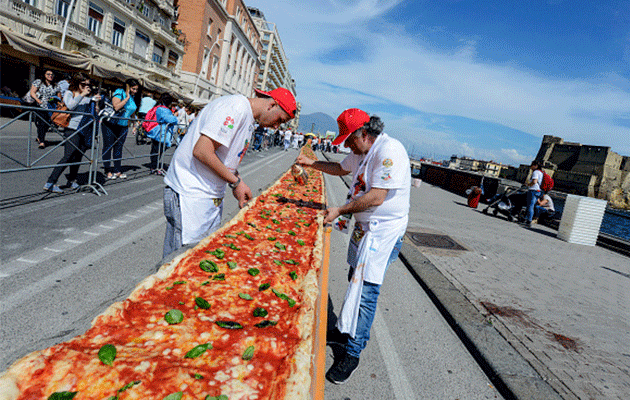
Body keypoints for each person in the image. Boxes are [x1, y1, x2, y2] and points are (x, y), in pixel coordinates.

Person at [296, 108, 411, 384]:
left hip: (383, 232)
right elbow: (340, 169)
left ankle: (353, 352)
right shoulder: (360, 152)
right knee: (353, 278)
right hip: (363, 228)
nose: (346, 144)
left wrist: (340, 209)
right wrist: (310, 163)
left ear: (364, 133)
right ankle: (346, 329)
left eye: (349, 139)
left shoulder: (389, 151)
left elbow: (376, 197)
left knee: (367, 290)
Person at [162, 87, 296, 258]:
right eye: (280, 119)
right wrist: (236, 183)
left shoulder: (247, 116)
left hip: (207, 195)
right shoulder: (236, 107)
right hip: (190, 194)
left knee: (199, 257)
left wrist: (237, 180)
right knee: (179, 262)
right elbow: (202, 151)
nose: (276, 126)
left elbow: (224, 158)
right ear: (271, 105)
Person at [43, 73, 100, 193]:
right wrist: (82, 95)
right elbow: (70, 106)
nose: (86, 87)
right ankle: (50, 182)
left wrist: (96, 103)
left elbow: (94, 113)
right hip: (72, 128)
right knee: (68, 156)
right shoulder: (70, 93)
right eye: (83, 84)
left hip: (84, 130)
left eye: (88, 85)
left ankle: (72, 180)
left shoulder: (88, 97)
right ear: (77, 83)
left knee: (77, 156)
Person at [101, 78, 140, 180]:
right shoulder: (120, 92)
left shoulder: (133, 97)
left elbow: (132, 112)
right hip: (111, 123)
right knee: (108, 146)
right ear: (127, 86)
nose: (135, 91)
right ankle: (108, 170)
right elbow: (116, 107)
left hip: (123, 126)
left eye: (136, 89)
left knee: (119, 148)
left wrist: (134, 124)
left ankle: (117, 170)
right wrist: (126, 98)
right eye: (133, 88)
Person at [145, 93, 178, 176]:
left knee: (156, 150)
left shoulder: (158, 107)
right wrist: (175, 116)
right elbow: (172, 120)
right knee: (158, 150)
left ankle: (154, 166)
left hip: (157, 132)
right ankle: (154, 167)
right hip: (161, 133)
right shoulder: (163, 109)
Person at [25, 70, 57, 148]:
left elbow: (58, 96)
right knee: (41, 123)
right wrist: (37, 100)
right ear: (44, 75)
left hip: (50, 107)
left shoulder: (55, 85)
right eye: (48, 74)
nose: (50, 76)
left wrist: (54, 99)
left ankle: (40, 136)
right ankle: (42, 142)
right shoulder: (38, 82)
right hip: (40, 105)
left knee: (47, 124)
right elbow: (32, 92)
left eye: (52, 74)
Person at [523, 160, 544, 227]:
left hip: (533, 190)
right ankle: (525, 219)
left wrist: (528, 184)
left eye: (532, 165)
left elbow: (534, 181)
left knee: (530, 206)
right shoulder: (541, 173)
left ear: (536, 166)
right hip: (538, 191)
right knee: (531, 205)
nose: (531, 166)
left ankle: (529, 221)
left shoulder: (535, 172)